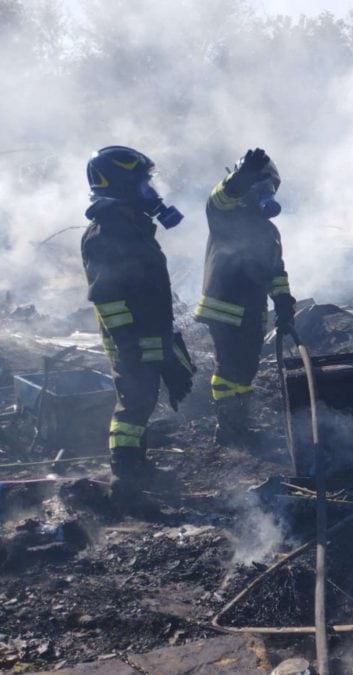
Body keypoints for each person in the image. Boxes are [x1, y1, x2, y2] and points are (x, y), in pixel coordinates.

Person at [80, 146, 195, 491]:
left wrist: (166, 337)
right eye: (143, 182)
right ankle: (125, 477)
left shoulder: (133, 226)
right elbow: (106, 297)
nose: (151, 190)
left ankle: (137, 467)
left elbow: (149, 284)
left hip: (148, 332)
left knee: (144, 401)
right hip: (129, 338)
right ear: (123, 185)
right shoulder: (106, 234)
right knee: (133, 406)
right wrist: (128, 345)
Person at [195, 148, 295, 445]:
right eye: (260, 184)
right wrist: (243, 175)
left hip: (253, 310)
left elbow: (276, 271)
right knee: (228, 367)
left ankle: (240, 423)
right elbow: (221, 196)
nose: (266, 192)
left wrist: (284, 302)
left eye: (270, 187)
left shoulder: (269, 231)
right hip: (224, 307)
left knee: (247, 369)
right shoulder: (224, 215)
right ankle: (228, 428)